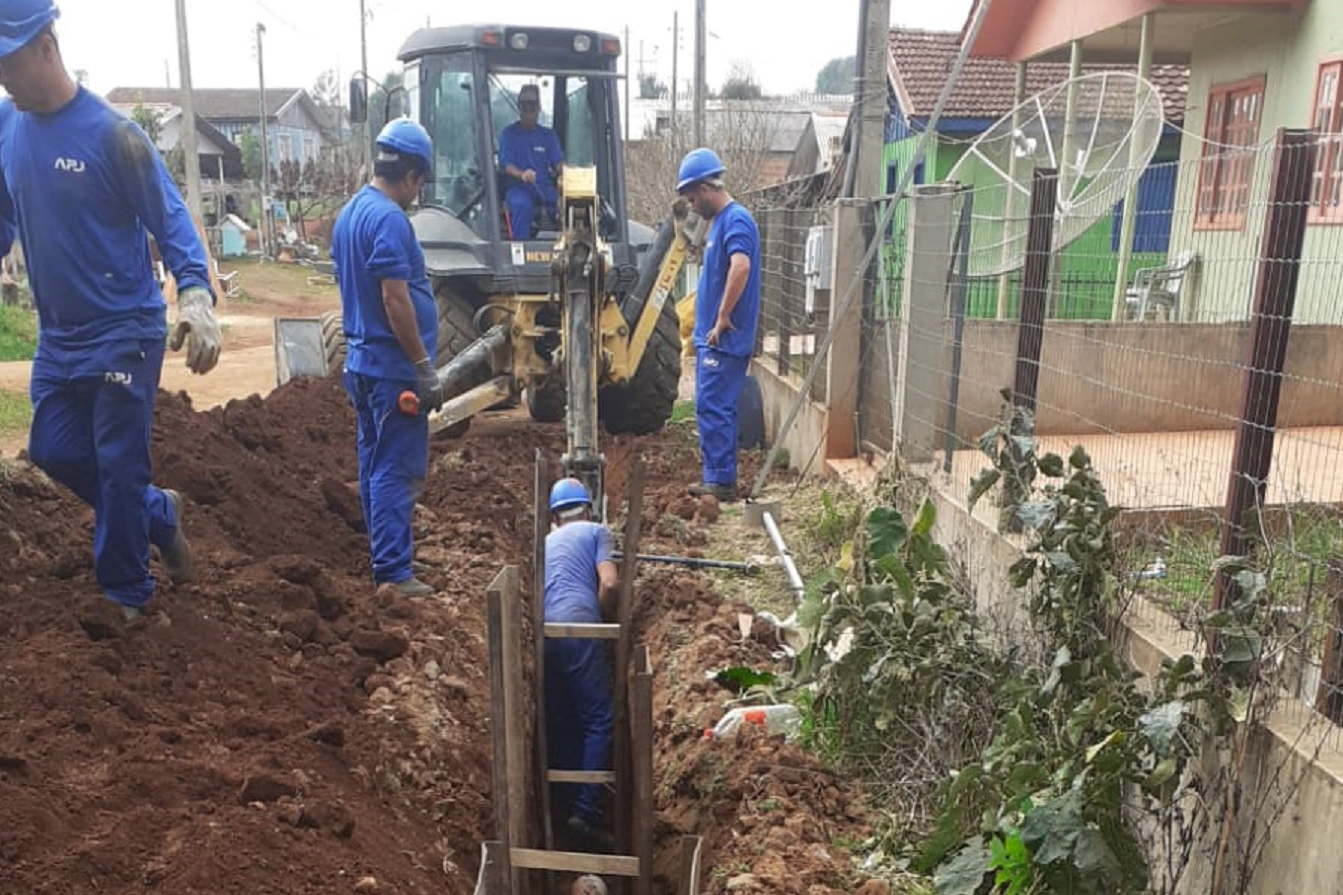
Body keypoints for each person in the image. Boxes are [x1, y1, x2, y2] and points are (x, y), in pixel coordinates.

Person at [0, 1, 220, 621]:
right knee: (52, 448)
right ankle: (158, 513)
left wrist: (197, 292)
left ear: (46, 45)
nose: (2, 77)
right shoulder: (7, 127)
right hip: (60, 338)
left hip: (125, 328)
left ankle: (127, 593)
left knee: (120, 463)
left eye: (8, 61)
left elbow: (170, 216)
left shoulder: (112, 135)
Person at [331, 118, 441, 597]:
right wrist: (422, 366)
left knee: (374, 465)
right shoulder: (391, 220)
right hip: (392, 369)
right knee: (395, 468)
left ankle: (388, 558)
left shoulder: (350, 213)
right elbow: (395, 298)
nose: (418, 192)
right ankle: (393, 574)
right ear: (412, 175)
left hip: (361, 364)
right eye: (421, 183)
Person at [677, 148, 761, 503]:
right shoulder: (718, 224)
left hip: (724, 336)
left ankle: (721, 482)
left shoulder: (736, 220)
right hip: (714, 336)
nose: (693, 205)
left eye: (694, 197)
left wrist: (723, 315)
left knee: (715, 405)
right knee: (710, 405)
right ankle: (716, 476)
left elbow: (740, 267)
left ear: (706, 187)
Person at [544, 477, 620, 850]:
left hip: (546, 632)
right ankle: (586, 811)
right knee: (599, 717)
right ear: (588, 509)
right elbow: (609, 583)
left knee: (564, 718)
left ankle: (564, 804)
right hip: (579, 625)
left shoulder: (545, 541)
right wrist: (605, 621)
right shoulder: (598, 531)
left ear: (554, 517)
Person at [498, 83, 564, 239]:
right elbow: (506, 165)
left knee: (570, 205)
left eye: (532, 105)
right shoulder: (509, 135)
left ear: (539, 107)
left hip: (544, 188)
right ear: (519, 107)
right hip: (519, 188)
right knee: (521, 206)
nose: (528, 110)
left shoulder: (548, 136)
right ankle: (520, 251)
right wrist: (522, 175)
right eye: (524, 105)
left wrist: (570, 175)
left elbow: (558, 162)